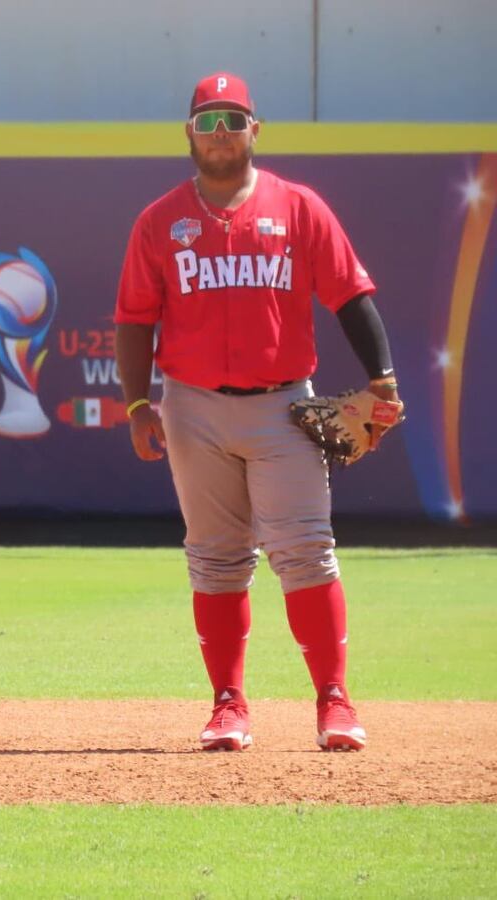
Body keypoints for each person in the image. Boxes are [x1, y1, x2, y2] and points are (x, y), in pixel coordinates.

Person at [114, 73, 402, 752]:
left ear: (255, 129)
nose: (220, 134)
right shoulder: (159, 221)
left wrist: (382, 379)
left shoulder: (297, 207)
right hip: (191, 407)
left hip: (282, 406)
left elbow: (352, 297)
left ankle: (334, 701)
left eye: (232, 120)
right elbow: (134, 320)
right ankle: (227, 706)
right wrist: (135, 403)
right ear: (189, 133)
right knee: (215, 560)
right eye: (208, 121)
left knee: (306, 552)